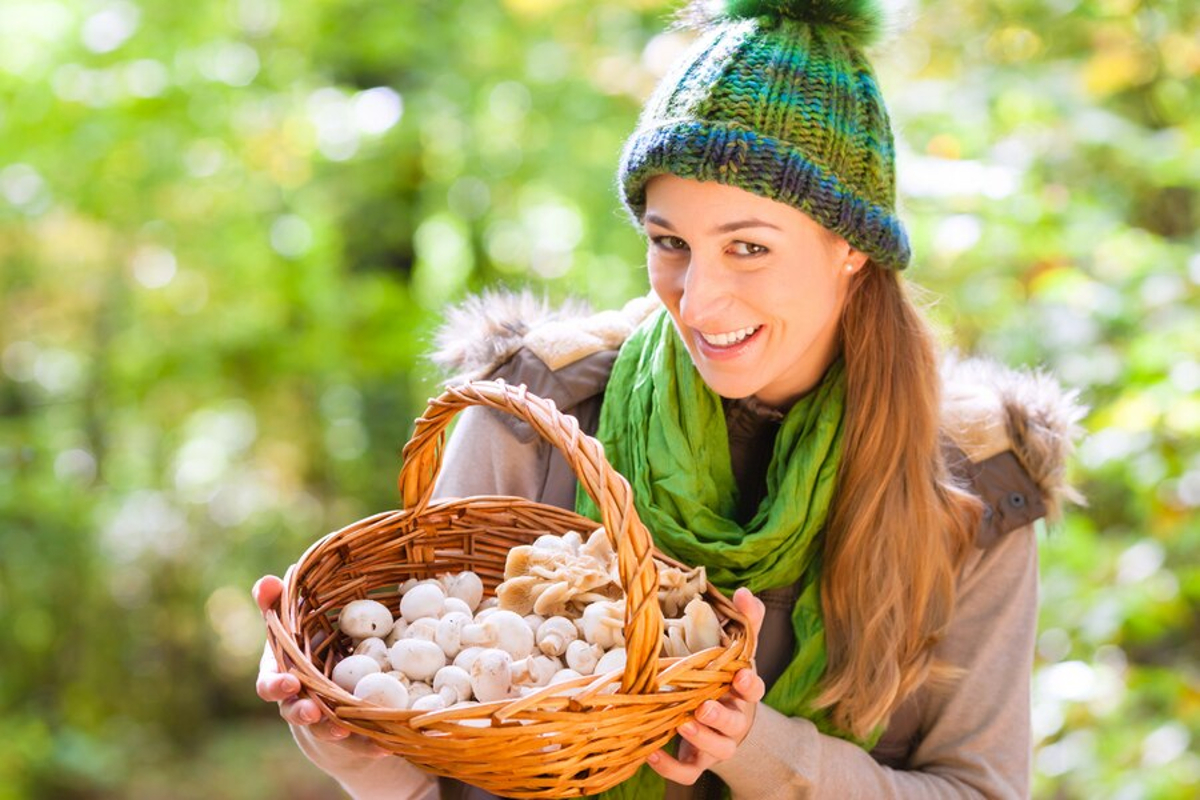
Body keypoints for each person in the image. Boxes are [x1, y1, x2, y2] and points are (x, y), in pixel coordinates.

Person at [254, 1, 1083, 797]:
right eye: (670, 243)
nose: (700, 298)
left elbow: (978, 790)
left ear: (852, 251)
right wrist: (354, 747)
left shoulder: (974, 485)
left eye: (749, 247)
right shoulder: (532, 416)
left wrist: (761, 752)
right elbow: (438, 763)